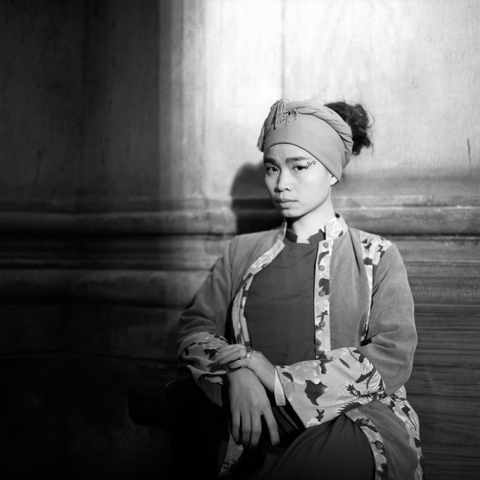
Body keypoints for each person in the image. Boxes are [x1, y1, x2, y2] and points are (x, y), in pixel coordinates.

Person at [176, 99, 425, 479]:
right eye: (272, 168)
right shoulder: (240, 252)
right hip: (254, 428)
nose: (281, 184)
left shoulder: (376, 255)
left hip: (353, 422)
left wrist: (279, 381)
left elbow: (394, 353)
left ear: (332, 172)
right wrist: (237, 372)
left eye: (299, 166)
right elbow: (195, 328)